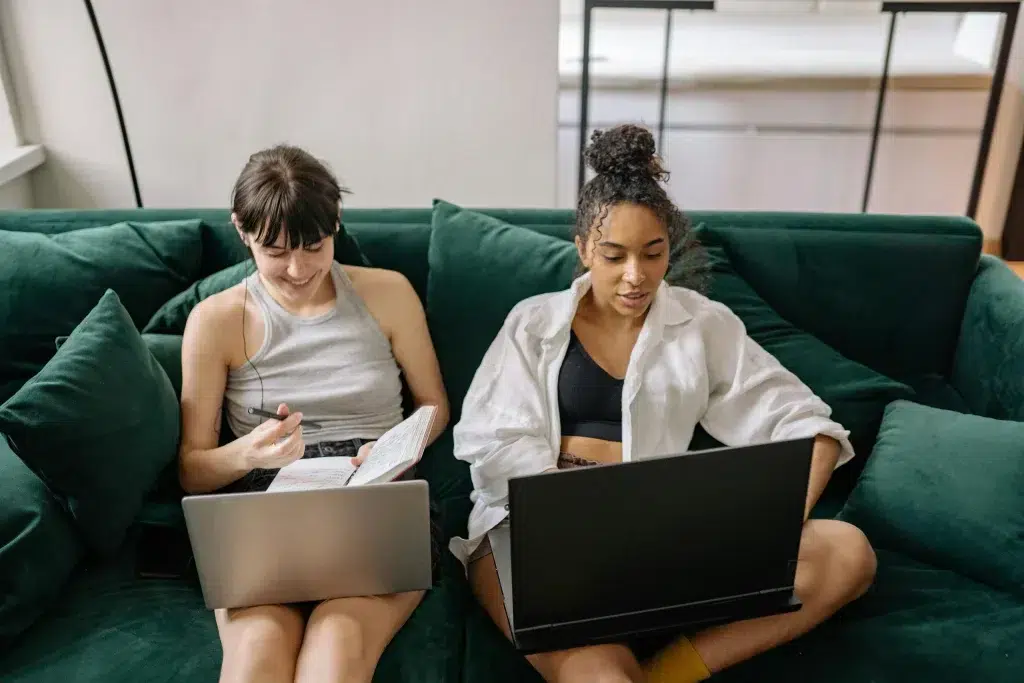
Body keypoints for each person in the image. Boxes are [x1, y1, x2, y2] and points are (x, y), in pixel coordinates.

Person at [449, 124, 877, 683]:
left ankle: (666, 673)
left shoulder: (703, 324)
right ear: (583, 250)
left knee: (848, 553)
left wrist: (775, 529)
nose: (636, 276)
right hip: (533, 536)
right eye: (614, 256)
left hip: (660, 541)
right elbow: (491, 442)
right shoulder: (533, 323)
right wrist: (592, 513)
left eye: (653, 254)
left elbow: (809, 427)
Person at [178, 144, 449, 683]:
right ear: (241, 229)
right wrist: (248, 451)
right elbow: (191, 468)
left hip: (372, 500)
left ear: (336, 222)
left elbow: (435, 405)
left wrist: (395, 447)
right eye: (274, 250)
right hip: (263, 512)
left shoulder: (388, 294)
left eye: (314, 246)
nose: (297, 269)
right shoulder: (215, 321)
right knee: (256, 658)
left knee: (336, 653)